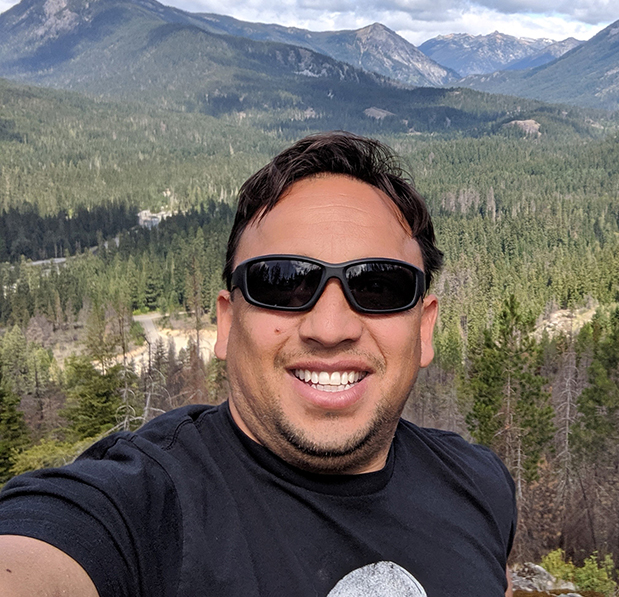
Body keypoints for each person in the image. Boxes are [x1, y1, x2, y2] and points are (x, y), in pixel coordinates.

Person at [0, 132, 517, 596]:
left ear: (424, 328)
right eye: (282, 282)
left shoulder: (480, 485)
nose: (330, 327)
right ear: (227, 323)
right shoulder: (141, 511)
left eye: (378, 286)